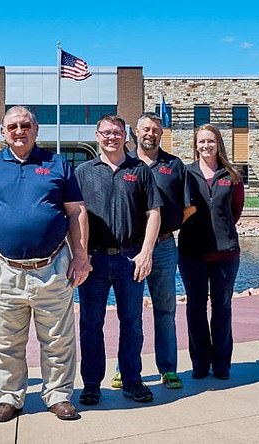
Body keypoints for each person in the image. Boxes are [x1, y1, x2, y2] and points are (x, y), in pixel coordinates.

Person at [0, 106, 91, 422]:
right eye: (12, 126)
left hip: (52, 269)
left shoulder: (57, 164)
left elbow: (76, 212)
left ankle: (59, 396)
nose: (19, 131)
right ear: (3, 132)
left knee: (58, 341)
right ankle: (9, 397)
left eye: (25, 125)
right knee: (5, 342)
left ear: (35, 130)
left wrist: (81, 255)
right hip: (4, 271)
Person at [75, 115, 162, 405]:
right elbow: (72, 215)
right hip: (93, 261)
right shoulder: (83, 172)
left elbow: (154, 214)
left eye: (116, 133)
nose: (111, 137)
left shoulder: (140, 170)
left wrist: (147, 252)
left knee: (132, 323)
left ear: (125, 136)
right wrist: (79, 253)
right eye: (106, 133)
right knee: (90, 324)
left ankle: (132, 381)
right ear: (97, 135)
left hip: (130, 260)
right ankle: (91, 384)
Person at [110, 113, 194, 390]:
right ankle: (126, 369)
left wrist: (168, 226)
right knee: (130, 312)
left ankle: (168, 369)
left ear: (161, 133)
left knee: (165, 310)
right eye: (146, 129)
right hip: (132, 250)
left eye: (156, 130)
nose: (150, 134)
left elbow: (189, 206)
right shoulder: (125, 165)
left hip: (165, 248)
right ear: (136, 132)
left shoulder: (173, 165)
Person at [178, 124, 244, 380]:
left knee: (222, 308)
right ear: (195, 145)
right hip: (192, 253)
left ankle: (222, 364)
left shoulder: (232, 175)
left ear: (219, 144)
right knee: (195, 307)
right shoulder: (186, 173)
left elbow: (235, 210)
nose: (206, 145)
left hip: (226, 255)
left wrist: (222, 230)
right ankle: (200, 363)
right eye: (202, 141)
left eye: (211, 141)